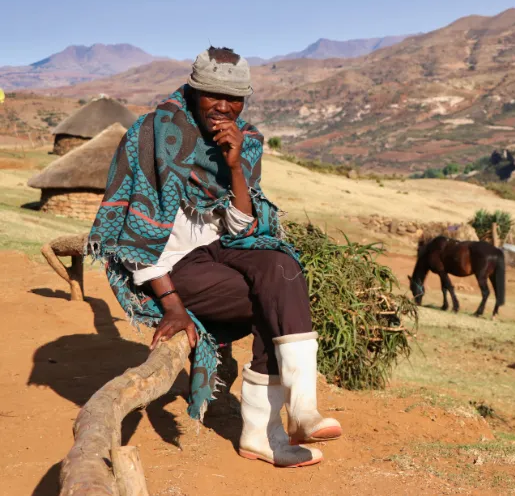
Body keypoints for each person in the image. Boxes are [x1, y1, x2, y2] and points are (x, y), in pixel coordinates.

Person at [88, 46, 341, 467]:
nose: (223, 107)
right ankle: (264, 434)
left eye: (235, 99)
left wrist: (235, 166)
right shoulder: (152, 134)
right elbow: (133, 236)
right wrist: (171, 306)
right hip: (169, 270)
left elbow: (241, 228)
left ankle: (302, 410)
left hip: (221, 255)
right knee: (273, 297)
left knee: (282, 266)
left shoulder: (246, 139)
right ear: (191, 90)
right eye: (211, 95)